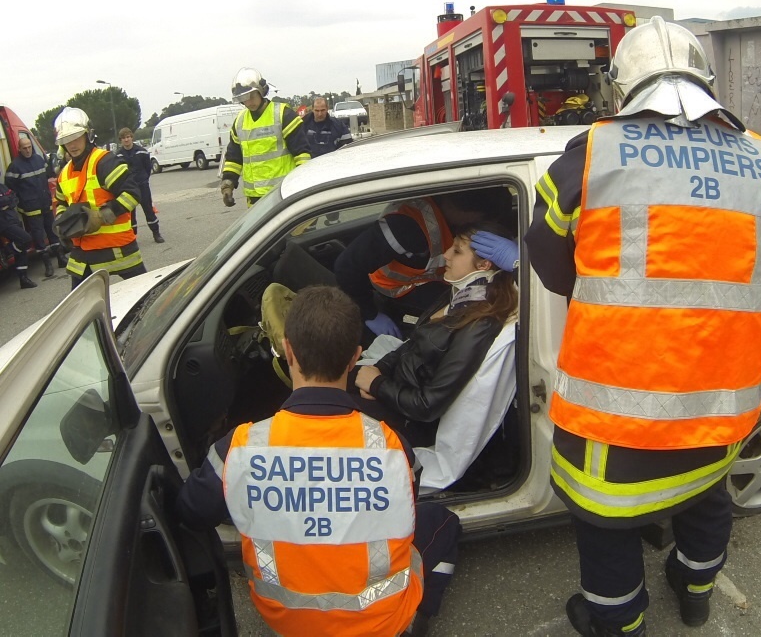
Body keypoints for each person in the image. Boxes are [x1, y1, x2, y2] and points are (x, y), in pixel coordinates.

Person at [524, 17, 761, 635]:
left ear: (622, 87)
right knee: (705, 499)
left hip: (616, 408)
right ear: (707, 81)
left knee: (605, 520)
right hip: (720, 399)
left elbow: (547, 256)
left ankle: (620, 623)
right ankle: (695, 592)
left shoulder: (592, 156)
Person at [176, 285, 461, 637]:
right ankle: (415, 622)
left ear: (288, 350)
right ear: (355, 357)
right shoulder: (389, 444)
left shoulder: (239, 447)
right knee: (443, 521)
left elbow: (191, 511)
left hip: (286, 622)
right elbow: (406, 509)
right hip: (380, 623)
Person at [353, 222, 519, 447]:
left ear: (484, 264)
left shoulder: (480, 323)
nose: (446, 255)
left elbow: (428, 405)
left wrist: (377, 385)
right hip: (393, 389)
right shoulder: (459, 296)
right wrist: (378, 370)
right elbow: (412, 344)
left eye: (457, 251)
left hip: (407, 418)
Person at [333, 188, 513, 339]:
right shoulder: (406, 228)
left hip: (434, 277)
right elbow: (346, 266)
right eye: (477, 219)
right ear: (457, 209)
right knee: (459, 317)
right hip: (396, 287)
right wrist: (369, 314)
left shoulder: (454, 207)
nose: (478, 225)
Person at [52, 107, 147, 289]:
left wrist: (103, 215)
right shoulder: (64, 173)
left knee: (147, 294)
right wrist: (62, 222)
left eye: (76, 137)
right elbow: (61, 203)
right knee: (80, 303)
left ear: (87, 135)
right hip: (83, 254)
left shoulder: (105, 162)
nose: (72, 145)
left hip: (117, 249)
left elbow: (132, 194)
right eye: (67, 140)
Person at [220, 68, 311, 208]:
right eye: (244, 98)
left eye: (251, 96)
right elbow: (234, 158)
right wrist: (228, 183)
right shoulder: (239, 122)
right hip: (254, 199)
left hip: (283, 193)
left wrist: (303, 183)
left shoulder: (283, 115)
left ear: (261, 91)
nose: (249, 102)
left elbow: (302, 154)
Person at [5, 135, 65, 276]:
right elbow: (10, 189)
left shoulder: (39, 159)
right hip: (31, 209)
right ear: (19, 149)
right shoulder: (15, 166)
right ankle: (47, 265)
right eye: (24, 148)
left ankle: (61, 258)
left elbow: (48, 175)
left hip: (45, 204)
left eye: (29, 147)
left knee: (52, 232)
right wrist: (22, 203)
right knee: (38, 237)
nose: (27, 150)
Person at [116, 127, 164, 243]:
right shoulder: (118, 155)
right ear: (121, 140)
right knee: (130, 215)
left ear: (132, 137)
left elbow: (148, 168)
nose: (126, 140)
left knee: (149, 211)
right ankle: (132, 238)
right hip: (128, 189)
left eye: (128, 137)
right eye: (123, 138)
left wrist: (143, 179)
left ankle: (156, 234)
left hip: (142, 186)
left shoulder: (142, 152)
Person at [0, 182, 37, 288]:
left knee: (21, 247)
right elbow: (8, 200)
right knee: (25, 240)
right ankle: (5, 252)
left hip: (12, 219)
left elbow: (14, 198)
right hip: (4, 222)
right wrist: (7, 202)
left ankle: (23, 278)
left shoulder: (2, 186)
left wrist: (6, 203)